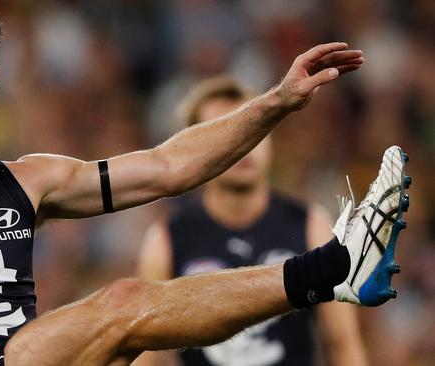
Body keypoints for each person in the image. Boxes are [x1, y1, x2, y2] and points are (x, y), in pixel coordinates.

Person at [0, 1, 400, 365]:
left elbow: (170, 167)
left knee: (130, 314)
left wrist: (277, 102)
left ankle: (336, 271)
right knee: (124, 303)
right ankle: (334, 268)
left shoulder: (27, 181)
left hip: (25, 358)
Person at [134, 76, 367, 366]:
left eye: (256, 129)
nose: (244, 145)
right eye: (227, 133)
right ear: (193, 150)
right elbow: (148, 358)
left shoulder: (312, 226)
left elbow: (343, 345)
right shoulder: (167, 240)